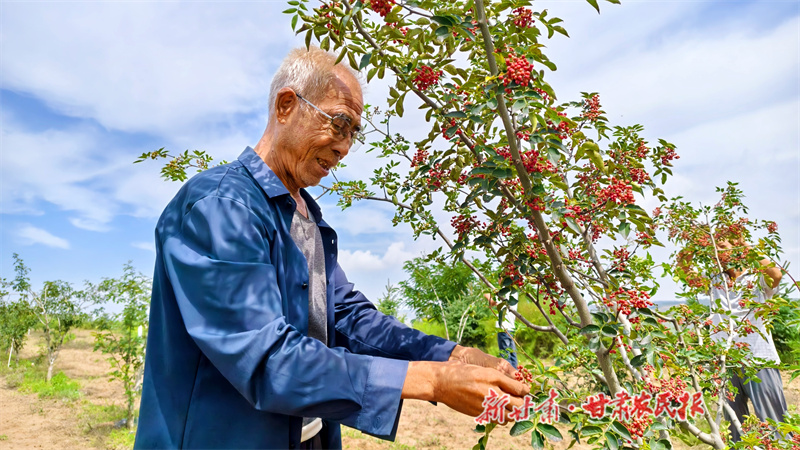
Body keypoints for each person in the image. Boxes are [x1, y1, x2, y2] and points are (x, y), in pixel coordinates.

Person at [134, 46, 529, 450]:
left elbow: (349, 318)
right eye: (339, 125)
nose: (344, 148)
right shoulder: (223, 206)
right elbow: (267, 359)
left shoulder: (306, 218)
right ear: (286, 105)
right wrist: (432, 381)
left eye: (353, 133)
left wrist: (452, 356)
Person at [704, 239, 788, 442]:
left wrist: (749, 249)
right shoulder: (715, 279)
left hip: (759, 360)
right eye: (715, 247)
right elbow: (685, 271)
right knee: (735, 428)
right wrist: (693, 247)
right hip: (726, 362)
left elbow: (776, 275)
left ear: (738, 248)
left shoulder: (757, 278)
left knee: (773, 423)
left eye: (722, 247)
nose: (718, 252)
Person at [484, 293, 518, 368]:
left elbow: (492, 303)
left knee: (505, 356)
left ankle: (509, 376)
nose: (498, 281)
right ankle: (516, 375)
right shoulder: (514, 292)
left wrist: (487, 295)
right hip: (511, 328)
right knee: (512, 355)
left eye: (498, 280)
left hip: (503, 328)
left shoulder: (504, 291)